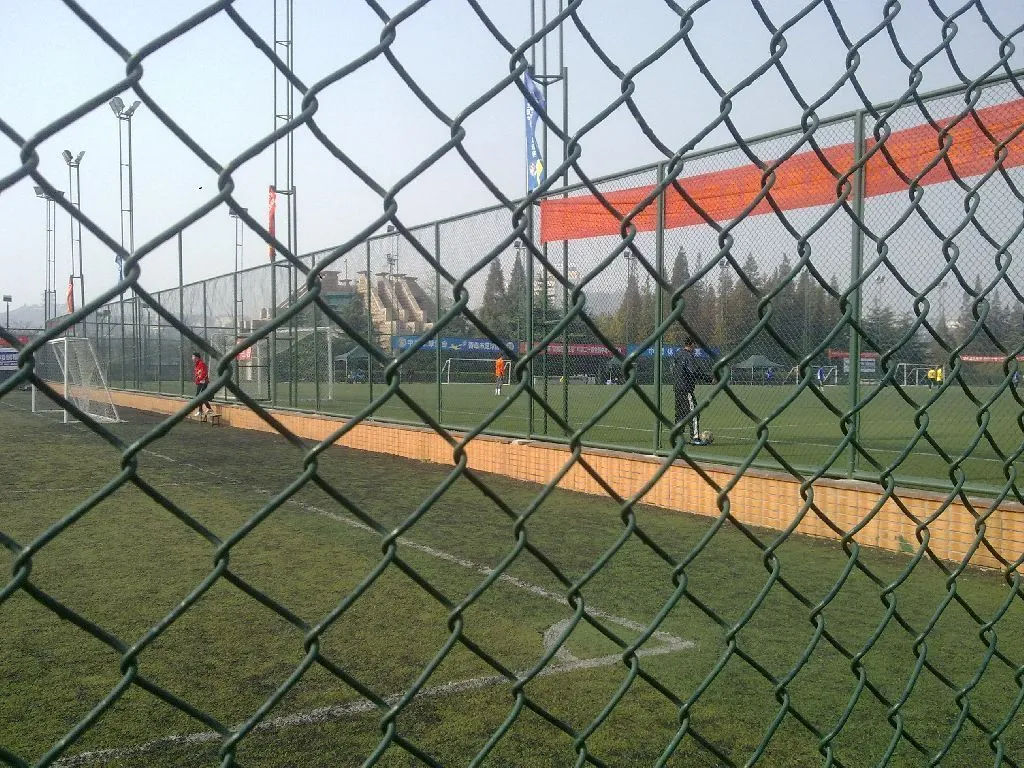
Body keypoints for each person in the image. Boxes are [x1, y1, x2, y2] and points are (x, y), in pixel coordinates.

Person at [674, 337, 707, 446]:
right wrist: (708, 378)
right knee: (694, 412)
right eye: (694, 344)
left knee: (681, 414)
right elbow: (693, 371)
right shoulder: (688, 356)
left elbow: (673, 369)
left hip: (677, 388)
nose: (695, 347)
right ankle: (695, 438)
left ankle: (677, 437)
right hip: (686, 388)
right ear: (691, 344)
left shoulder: (678, 354)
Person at [192, 351, 214, 418]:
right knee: (201, 396)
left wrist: (200, 379)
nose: (192, 358)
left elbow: (204, 373)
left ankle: (203, 410)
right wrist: (197, 380)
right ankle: (205, 410)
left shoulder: (201, 364)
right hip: (200, 382)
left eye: (193, 357)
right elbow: (197, 374)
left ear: (197, 357)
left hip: (203, 382)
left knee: (199, 396)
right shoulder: (197, 364)